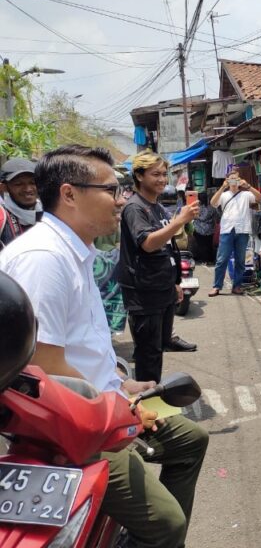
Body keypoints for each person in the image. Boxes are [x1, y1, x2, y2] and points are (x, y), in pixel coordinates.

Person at [0, 144, 208, 548]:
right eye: (111, 190)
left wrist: (122, 382)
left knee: (190, 441)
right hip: (72, 427)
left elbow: (83, 342)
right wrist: (124, 410)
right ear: (70, 194)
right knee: (166, 524)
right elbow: (46, 366)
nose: (121, 200)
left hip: (104, 403)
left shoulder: (75, 251)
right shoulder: (44, 258)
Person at [118, 150, 199, 383]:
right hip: (144, 292)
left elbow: (167, 248)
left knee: (158, 347)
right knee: (148, 355)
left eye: (164, 174)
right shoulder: (135, 208)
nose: (163, 179)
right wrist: (179, 221)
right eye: (156, 174)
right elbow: (148, 244)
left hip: (161, 287)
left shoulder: (157, 206)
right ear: (140, 176)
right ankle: (146, 409)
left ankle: (154, 396)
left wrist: (174, 283)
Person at [208, 170, 261, 296]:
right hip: (227, 229)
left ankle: (237, 286)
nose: (234, 181)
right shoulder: (224, 195)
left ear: (239, 180)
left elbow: (259, 198)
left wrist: (248, 185)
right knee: (222, 259)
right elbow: (213, 203)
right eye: (231, 178)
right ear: (227, 180)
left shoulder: (246, 194)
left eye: (236, 178)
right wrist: (222, 187)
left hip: (242, 229)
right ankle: (217, 286)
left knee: (240, 260)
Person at [0, 157, 42, 249]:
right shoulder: (2, 218)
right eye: (18, 184)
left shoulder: (49, 213)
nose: (28, 189)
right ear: (4, 187)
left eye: (32, 183)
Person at [191, 191, 217, 264]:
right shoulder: (212, 207)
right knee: (208, 245)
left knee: (201, 245)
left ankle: (203, 260)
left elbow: (202, 218)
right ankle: (210, 259)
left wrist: (196, 217)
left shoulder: (198, 207)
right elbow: (216, 216)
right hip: (210, 229)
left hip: (199, 229)